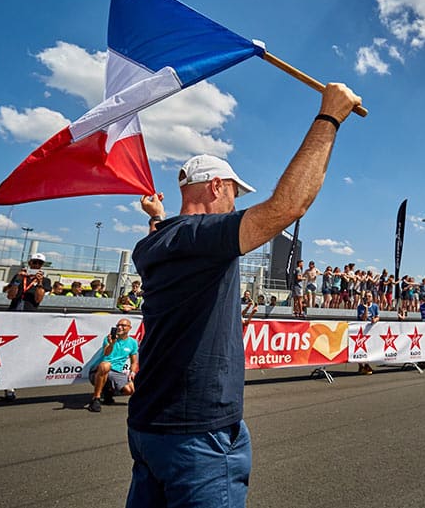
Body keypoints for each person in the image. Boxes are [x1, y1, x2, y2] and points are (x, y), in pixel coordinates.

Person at [127, 81, 361, 507]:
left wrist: (157, 216)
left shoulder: (154, 244)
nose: (235, 206)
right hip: (197, 432)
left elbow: (170, 235)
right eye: (234, 193)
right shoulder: (200, 238)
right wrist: (330, 117)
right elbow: (287, 208)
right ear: (216, 187)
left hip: (148, 425)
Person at [88, 318, 139, 413]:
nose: (120, 327)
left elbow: (134, 362)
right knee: (106, 365)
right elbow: (106, 354)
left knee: (131, 390)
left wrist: (132, 372)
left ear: (129, 328)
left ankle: (108, 391)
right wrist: (112, 344)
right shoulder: (109, 338)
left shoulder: (133, 342)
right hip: (98, 371)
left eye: (123, 325)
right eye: (118, 325)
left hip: (116, 372)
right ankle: (96, 399)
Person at [356, 291, 379, 374]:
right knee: (360, 348)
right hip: (361, 330)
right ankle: (361, 366)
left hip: (370, 330)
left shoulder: (375, 306)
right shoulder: (360, 307)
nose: (367, 298)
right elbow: (364, 318)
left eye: (369, 296)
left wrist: (375, 320)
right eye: (366, 296)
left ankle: (366, 365)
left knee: (369, 348)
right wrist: (365, 307)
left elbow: (377, 316)